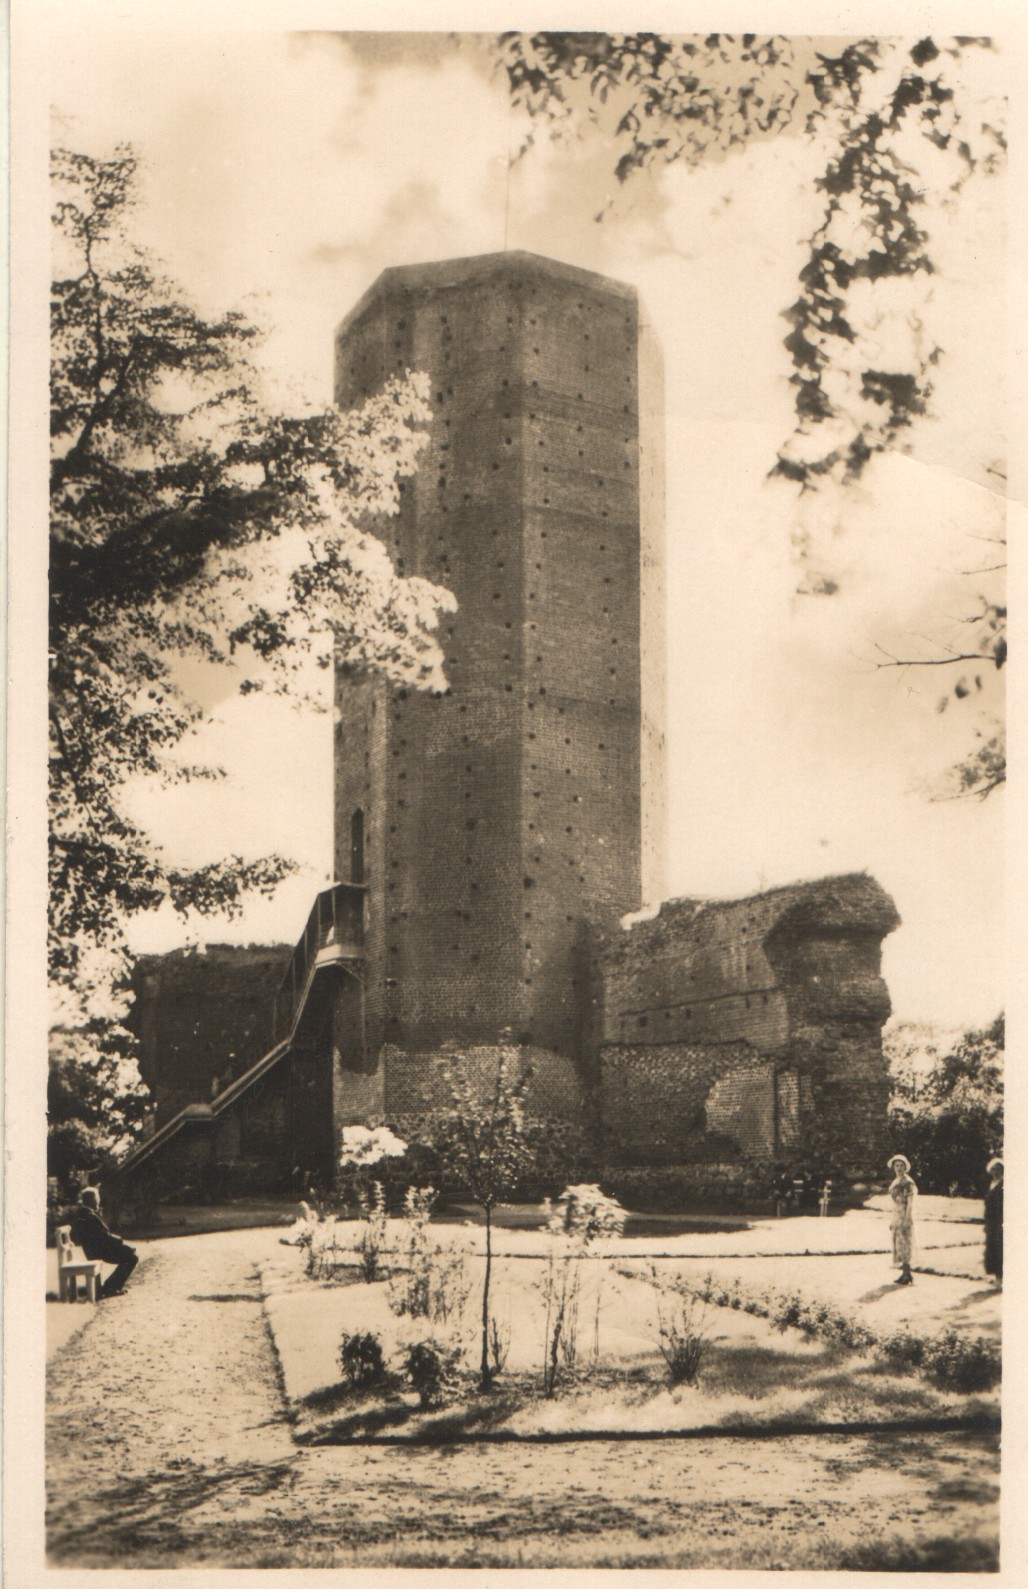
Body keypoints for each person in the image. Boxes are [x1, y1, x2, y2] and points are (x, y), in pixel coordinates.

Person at [68, 1186, 138, 1299]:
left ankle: (110, 1286)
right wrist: (121, 1242)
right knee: (132, 1257)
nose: (99, 1201)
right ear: (92, 1199)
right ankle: (110, 1287)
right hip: (98, 1251)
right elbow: (103, 1238)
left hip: (96, 1249)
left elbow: (102, 1236)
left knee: (130, 1253)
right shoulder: (88, 1215)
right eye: (98, 1198)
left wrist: (122, 1244)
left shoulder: (85, 1213)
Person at [886, 1153, 917, 1284]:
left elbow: (910, 1202)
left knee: (905, 1242)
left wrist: (907, 1219)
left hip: (904, 1213)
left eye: (901, 1165)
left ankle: (907, 1274)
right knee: (899, 1243)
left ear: (905, 1167)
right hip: (897, 1214)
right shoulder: (897, 1181)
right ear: (893, 1167)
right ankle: (905, 1274)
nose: (899, 1168)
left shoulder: (907, 1182)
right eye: (896, 1165)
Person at [983, 1157, 1003, 1285]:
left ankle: (1000, 1277)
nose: (996, 1171)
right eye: (994, 1169)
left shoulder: (1003, 1184)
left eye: (998, 1169)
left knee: (1000, 1248)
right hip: (990, 1220)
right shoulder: (991, 1183)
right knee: (991, 1247)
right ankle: (995, 1276)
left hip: (999, 1220)